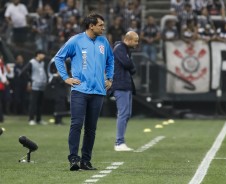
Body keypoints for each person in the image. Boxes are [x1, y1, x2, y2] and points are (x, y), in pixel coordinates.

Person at [54, 12, 114, 171]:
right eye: (100, 25)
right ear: (91, 26)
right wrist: (66, 78)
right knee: (76, 124)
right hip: (80, 90)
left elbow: (110, 60)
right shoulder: (76, 40)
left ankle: (85, 161)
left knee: (91, 128)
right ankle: (74, 158)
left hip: (99, 92)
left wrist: (109, 78)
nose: (103, 27)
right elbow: (59, 57)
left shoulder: (104, 42)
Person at [109, 31, 139, 151]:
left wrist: (131, 67)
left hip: (125, 85)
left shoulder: (125, 50)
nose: (137, 43)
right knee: (123, 113)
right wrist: (132, 66)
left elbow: (130, 66)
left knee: (127, 114)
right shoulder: (120, 48)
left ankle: (120, 141)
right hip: (120, 85)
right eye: (135, 41)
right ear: (128, 40)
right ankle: (119, 142)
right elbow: (127, 64)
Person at [21, 50, 47, 125]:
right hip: (35, 86)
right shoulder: (32, 62)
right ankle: (31, 119)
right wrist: (30, 80)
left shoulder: (42, 63)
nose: (44, 56)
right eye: (43, 54)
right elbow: (24, 72)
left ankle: (38, 119)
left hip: (42, 86)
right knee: (33, 103)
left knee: (40, 104)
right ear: (38, 55)